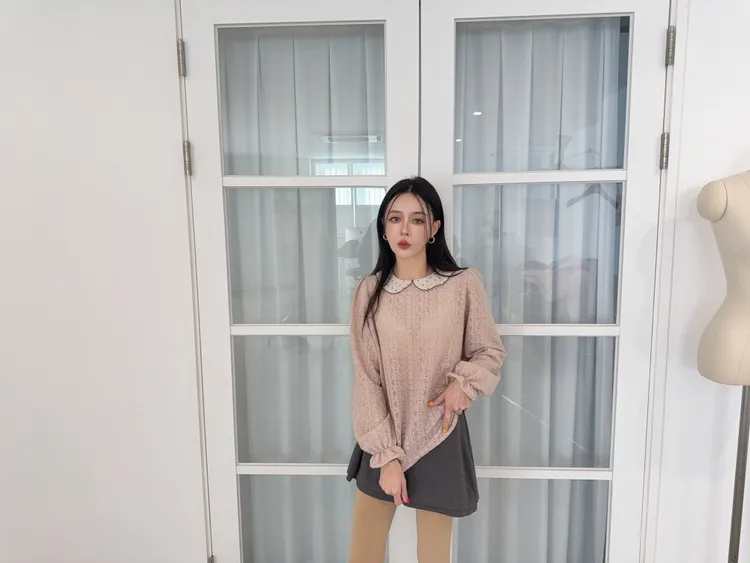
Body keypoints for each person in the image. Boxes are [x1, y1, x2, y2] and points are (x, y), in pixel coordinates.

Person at [346, 176, 506, 562]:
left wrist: (463, 384)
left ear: (434, 228)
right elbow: (367, 377)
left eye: (417, 220)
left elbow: (488, 350)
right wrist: (387, 456)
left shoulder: (462, 285)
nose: (404, 229)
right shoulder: (368, 292)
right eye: (395, 218)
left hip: (440, 434)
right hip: (382, 439)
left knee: (433, 557)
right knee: (363, 554)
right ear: (384, 227)